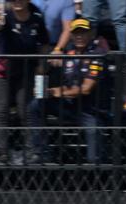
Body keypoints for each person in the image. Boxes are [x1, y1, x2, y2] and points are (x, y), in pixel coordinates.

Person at [27, 16, 102, 164]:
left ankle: (97, 174)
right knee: (35, 105)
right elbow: (61, 83)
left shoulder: (97, 56)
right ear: (72, 35)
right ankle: (41, 152)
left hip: (88, 111)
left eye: (83, 32)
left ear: (90, 34)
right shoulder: (68, 55)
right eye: (76, 33)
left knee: (94, 155)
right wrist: (44, 86)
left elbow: (86, 89)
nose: (79, 36)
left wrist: (57, 92)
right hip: (68, 106)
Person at [0, 0, 49, 165]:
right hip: (1, 70)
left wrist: (41, 65)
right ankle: (2, 154)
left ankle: (31, 152)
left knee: (25, 110)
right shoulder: (1, 13)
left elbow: (44, 42)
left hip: (25, 71)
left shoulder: (37, 16)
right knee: (1, 111)